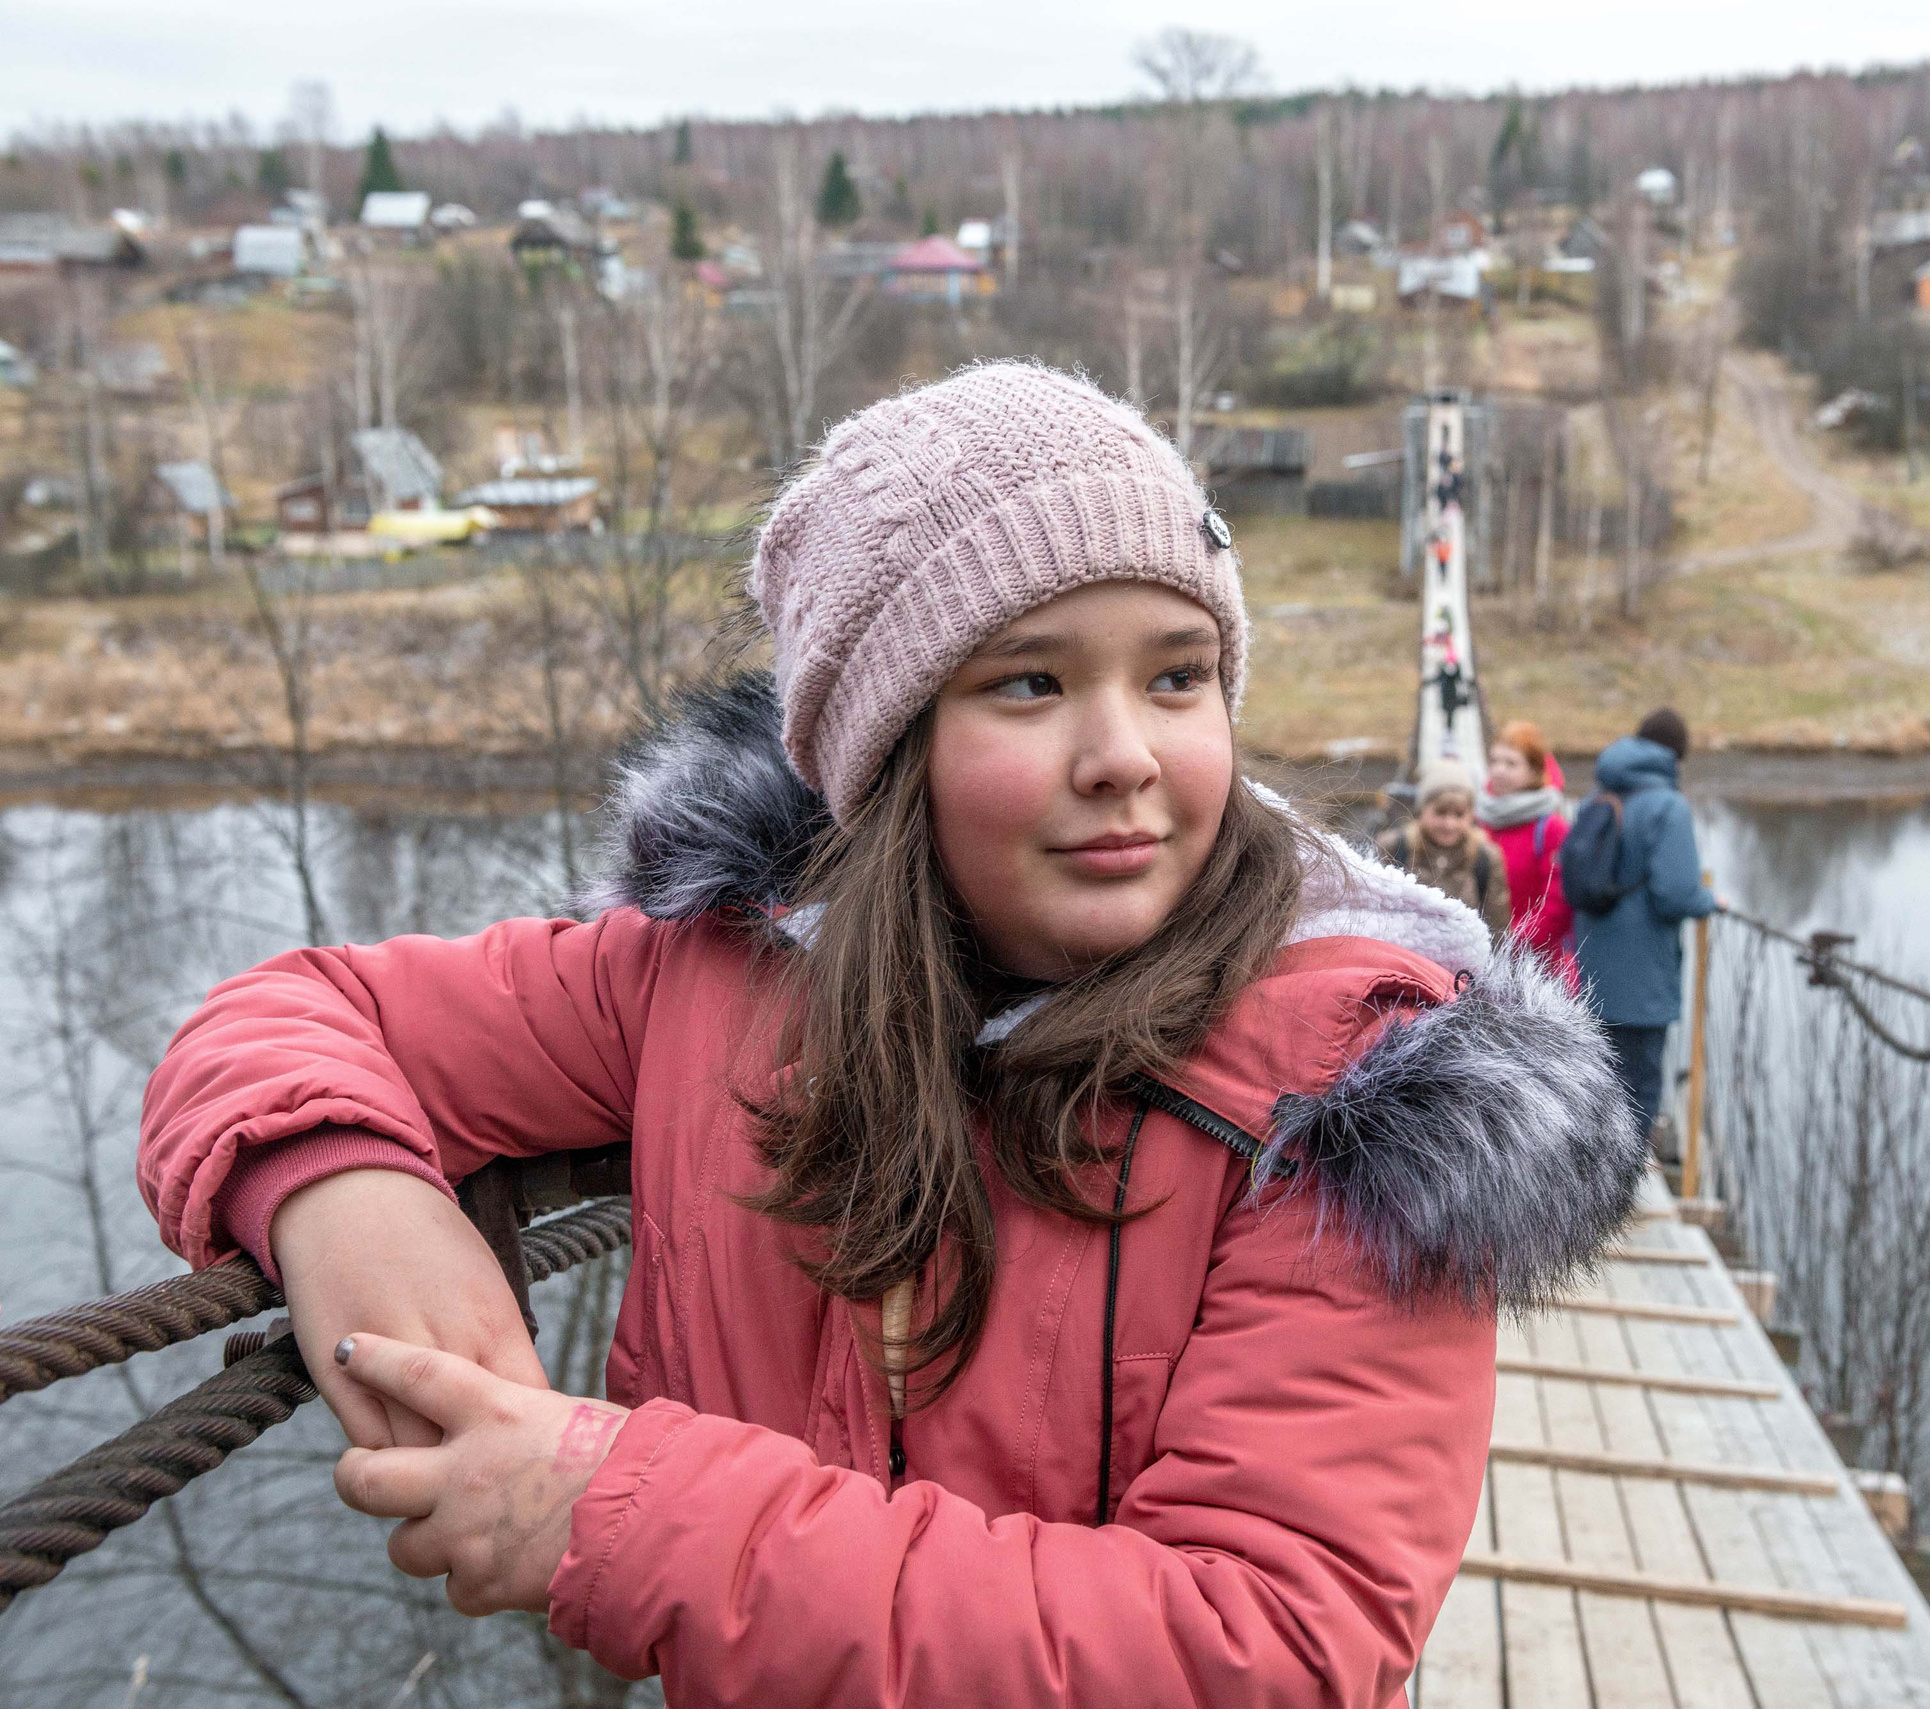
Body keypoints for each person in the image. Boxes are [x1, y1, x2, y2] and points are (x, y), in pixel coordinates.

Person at [136, 364, 1646, 1706]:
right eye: (1031, 682)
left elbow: (1266, 1645)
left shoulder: (1358, 1100)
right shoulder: (712, 981)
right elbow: (292, 1013)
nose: (1123, 754)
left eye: (1178, 674)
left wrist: (624, 1517)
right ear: (884, 743)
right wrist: (341, 1193)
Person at [1566, 706, 1718, 1147]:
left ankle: (1585, 1183)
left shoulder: (1599, 793)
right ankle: (1619, 1194)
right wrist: (1709, 901)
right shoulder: (1667, 806)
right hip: (1642, 980)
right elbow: (1676, 894)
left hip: (1592, 967)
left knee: (1595, 1083)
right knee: (1637, 1092)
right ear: (1676, 756)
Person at [1478, 721, 1575, 989]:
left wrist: (1509, 942)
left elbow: (1556, 904)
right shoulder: (1478, 820)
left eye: (1511, 764)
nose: (1498, 770)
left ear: (1533, 771)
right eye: (1494, 761)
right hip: (1480, 963)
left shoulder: (1551, 828)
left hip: (1537, 972)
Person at [1377, 760, 1511, 936]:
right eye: (1440, 813)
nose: (1450, 824)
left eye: (1459, 814)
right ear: (1423, 809)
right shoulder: (1395, 848)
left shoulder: (1485, 858)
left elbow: (1497, 928)